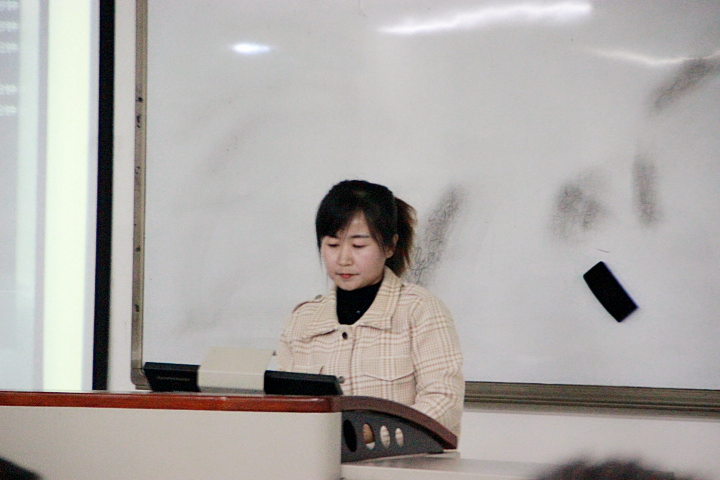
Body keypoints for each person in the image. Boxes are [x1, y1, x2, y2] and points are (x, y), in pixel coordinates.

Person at [277, 180, 464, 435]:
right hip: (316, 458)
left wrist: (371, 436)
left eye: (358, 246)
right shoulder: (302, 319)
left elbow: (444, 402)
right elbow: (285, 406)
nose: (343, 259)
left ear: (389, 246)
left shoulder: (419, 310)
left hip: (399, 458)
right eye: (332, 244)